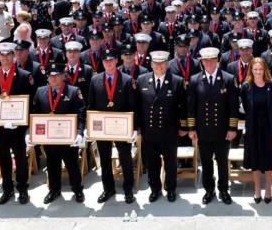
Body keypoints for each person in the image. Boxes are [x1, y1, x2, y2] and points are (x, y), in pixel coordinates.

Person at [0, 42, 34, 205]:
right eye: (2, 55)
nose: (5, 58)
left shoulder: (25, 75)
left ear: (13, 56)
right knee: (4, 159)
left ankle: (23, 190)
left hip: (17, 128)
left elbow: (30, 102)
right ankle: (7, 189)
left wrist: (23, 124)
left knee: (20, 159)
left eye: (8, 55)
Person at [187, 47, 239, 205]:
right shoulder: (195, 79)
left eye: (212, 60)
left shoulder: (228, 79)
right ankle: (209, 190)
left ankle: (223, 189)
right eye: (205, 60)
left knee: (222, 162)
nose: (209, 63)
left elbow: (233, 106)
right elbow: (191, 107)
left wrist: (232, 128)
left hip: (222, 131)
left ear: (218, 60)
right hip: (203, 131)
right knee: (206, 162)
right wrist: (192, 129)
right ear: (201, 62)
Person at [87, 48, 138, 204]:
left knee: (125, 158)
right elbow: (91, 105)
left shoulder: (127, 80)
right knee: (104, 159)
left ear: (117, 61)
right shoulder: (95, 80)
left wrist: (134, 128)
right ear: (102, 62)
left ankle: (128, 190)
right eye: (105, 61)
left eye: (111, 60)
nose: (108, 63)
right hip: (102, 128)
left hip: (121, 127)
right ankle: (108, 189)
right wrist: (90, 127)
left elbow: (132, 106)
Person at [135, 51, 187, 203]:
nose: (159, 66)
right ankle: (155, 189)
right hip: (149, 132)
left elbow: (183, 106)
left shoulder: (176, 81)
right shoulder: (142, 80)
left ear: (167, 64)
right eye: (156, 63)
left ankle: (170, 189)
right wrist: (137, 128)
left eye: (162, 63)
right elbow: (138, 106)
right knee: (152, 163)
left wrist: (183, 126)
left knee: (170, 163)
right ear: (151, 64)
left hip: (169, 131)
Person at [30, 63, 86, 204]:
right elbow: (35, 114)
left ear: (63, 76)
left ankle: (77, 189)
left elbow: (80, 114)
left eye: (57, 75)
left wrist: (80, 133)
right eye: (50, 76)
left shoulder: (73, 91)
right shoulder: (40, 91)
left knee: (72, 164)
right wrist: (30, 132)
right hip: (50, 137)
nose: (53, 78)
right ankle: (54, 190)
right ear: (47, 77)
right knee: (52, 163)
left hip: (68, 137)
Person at [240, 58, 272, 204]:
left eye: (260, 69)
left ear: (265, 70)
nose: (258, 72)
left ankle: (268, 189)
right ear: (251, 70)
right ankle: (257, 189)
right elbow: (245, 106)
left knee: (269, 161)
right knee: (255, 161)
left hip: (268, 129)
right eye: (255, 69)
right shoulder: (246, 87)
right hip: (253, 129)